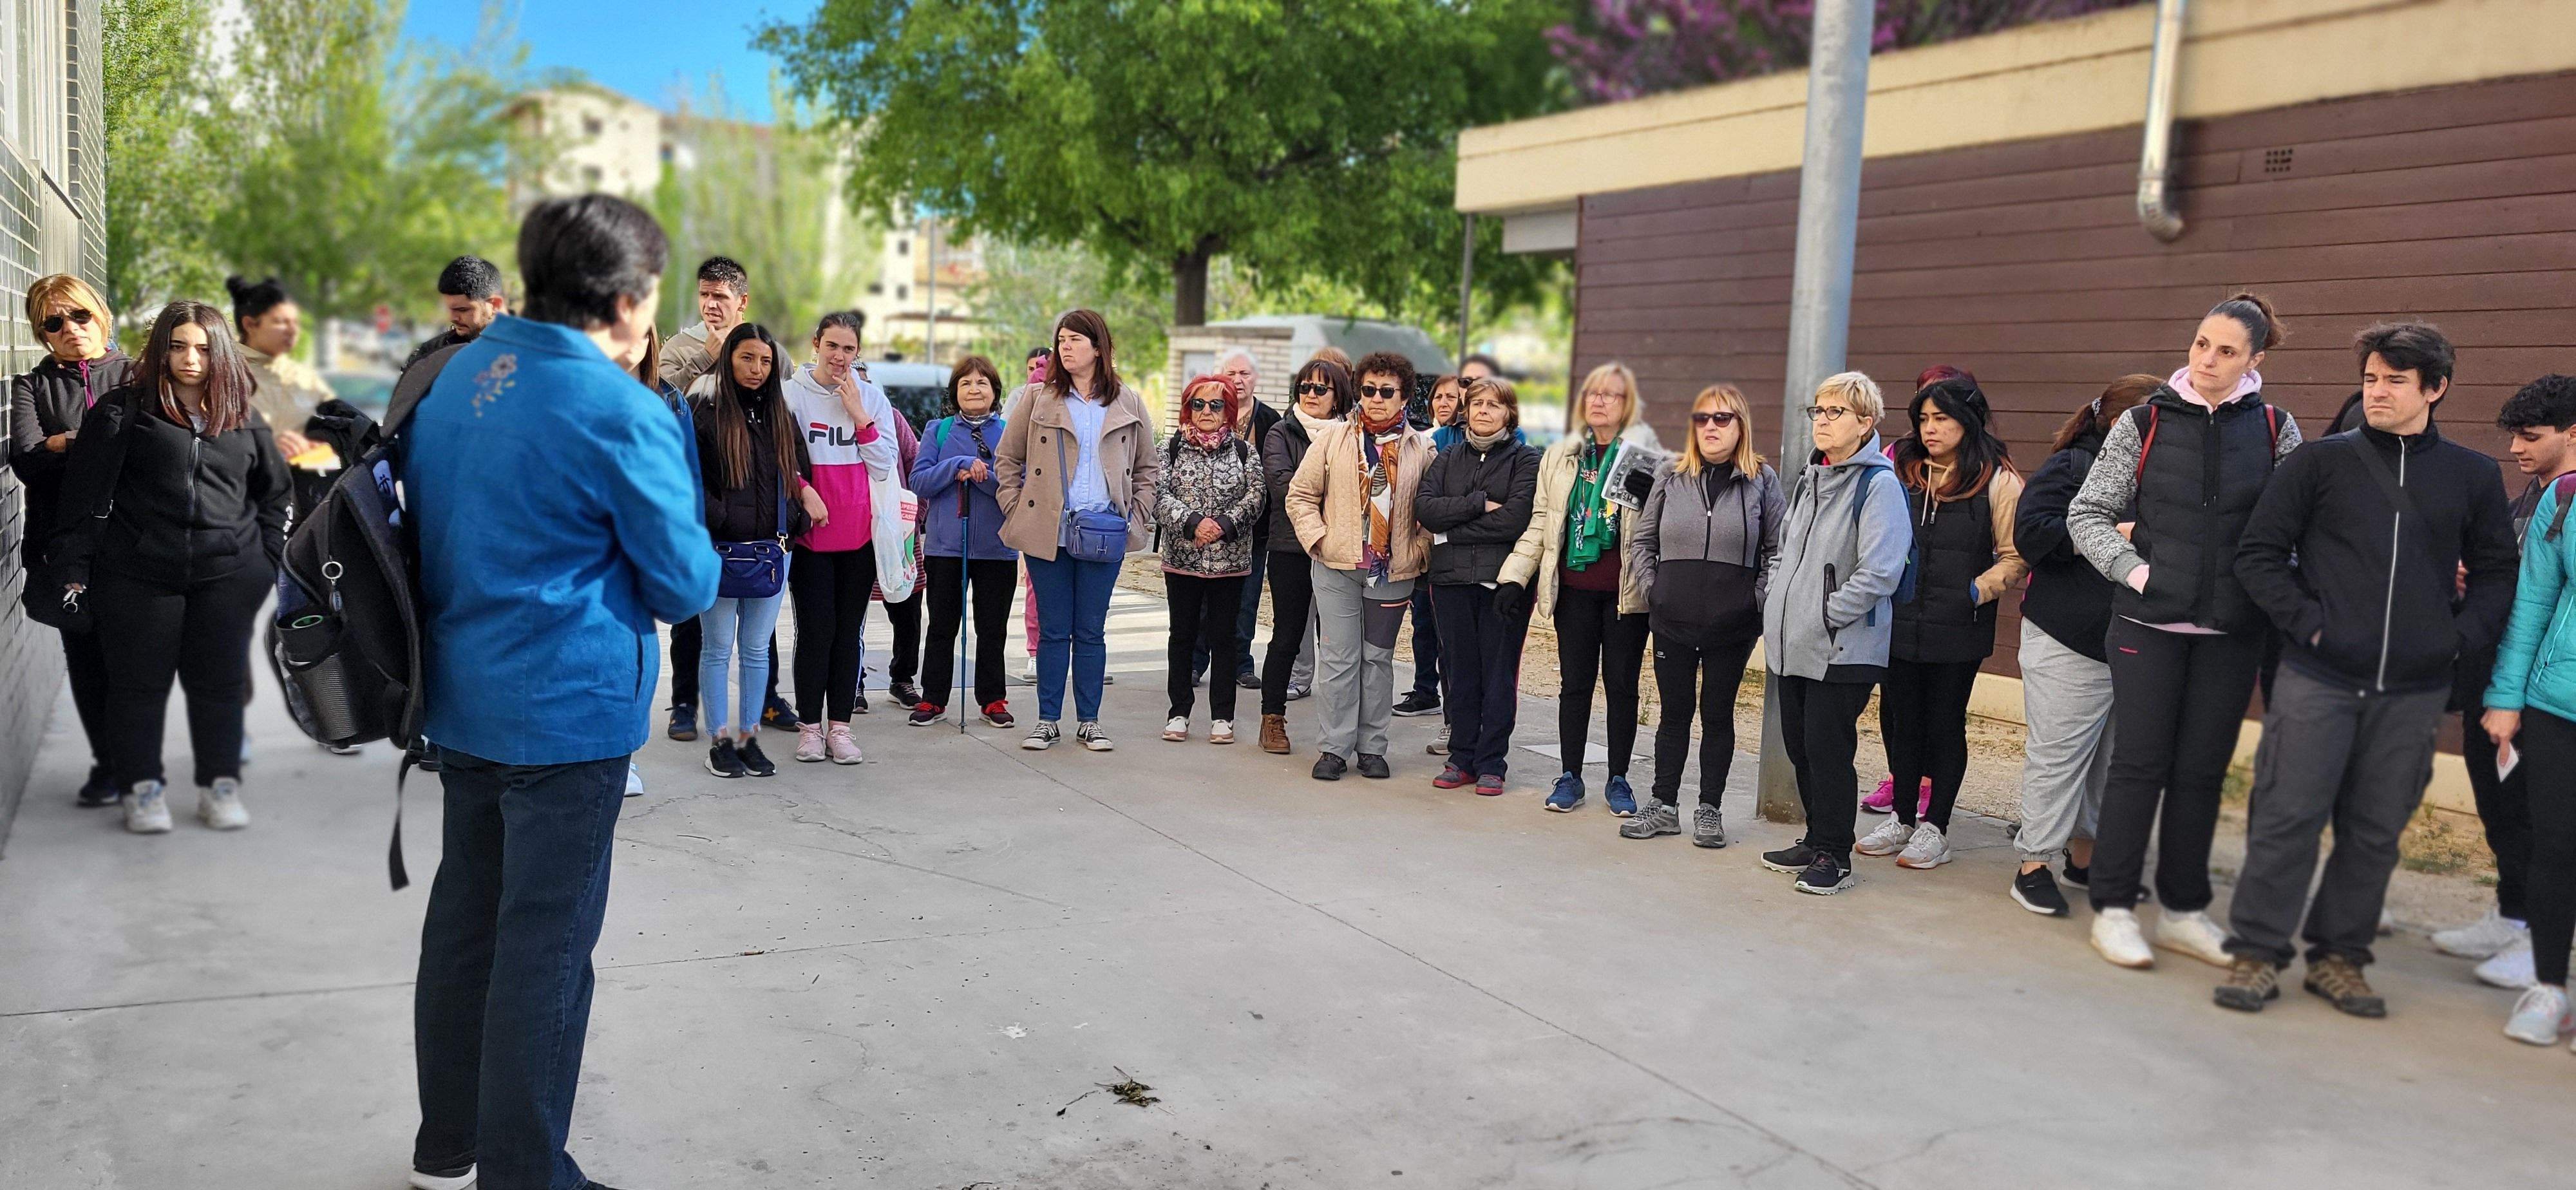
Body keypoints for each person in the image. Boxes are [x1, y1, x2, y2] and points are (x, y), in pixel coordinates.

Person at [400, 194, 712, 1190]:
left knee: (465, 925)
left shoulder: (458, 380)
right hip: (568, 712)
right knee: (546, 947)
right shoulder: (619, 408)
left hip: (464, 699)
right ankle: (528, 1175)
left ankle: (447, 1146)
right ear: (626, 303)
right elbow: (681, 582)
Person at [2215, 323, 2518, 1016]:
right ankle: (2258, 952)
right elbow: (2259, 554)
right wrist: (2312, 624)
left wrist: (2456, 639)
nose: (2376, 392)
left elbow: (2498, 570)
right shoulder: (2319, 464)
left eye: (2394, 381)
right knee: (2288, 817)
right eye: (2371, 379)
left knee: (2375, 830)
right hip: (2318, 678)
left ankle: (2339, 958)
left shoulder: (2470, 475)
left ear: (2434, 389)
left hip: (2412, 689)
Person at [2067, 292, 2304, 969]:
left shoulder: (2275, 430)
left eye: (2226, 351)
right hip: (2146, 624)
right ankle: (2112, 908)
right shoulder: (2142, 423)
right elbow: (2087, 514)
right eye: (2202, 343)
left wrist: (2258, 592)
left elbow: (2291, 530)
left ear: (2254, 360)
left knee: (2201, 773)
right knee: (2138, 766)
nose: (2207, 359)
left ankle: (2181, 911)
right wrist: (2137, 574)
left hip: (2232, 632)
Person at [52, 300, 287, 835]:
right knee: (137, 687)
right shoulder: (121, 411)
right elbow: (82, 498)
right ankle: (142, 789)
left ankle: (219, 786)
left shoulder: (246, 413)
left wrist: (266, 561)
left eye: (203, 348)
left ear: (220, 352)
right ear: (161, 349)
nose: (190, 359)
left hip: (228, 576)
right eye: (178, 346)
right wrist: (77, 567)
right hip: (139, 578)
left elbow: (275, 495)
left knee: (220, 687)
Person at [1852, 370, 2027, 871]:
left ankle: (1937, 828)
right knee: (1897, 721)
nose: (1930, 429)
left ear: (1967, 421)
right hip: (1898, 621)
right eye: (1924, 419)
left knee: (1944, 725)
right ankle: (1903, 817)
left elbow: (2016, 555)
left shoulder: (1998, 479)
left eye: (1942, 418)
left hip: (1959, 627)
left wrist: (1977, 591)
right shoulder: (1896, 468)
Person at [2007, 374, 2157, 916]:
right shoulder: (2072, 465)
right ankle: (2033, 866)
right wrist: (2108, 532)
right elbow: (2033, 533)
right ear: (2119, 423)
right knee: (2059, 757)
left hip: (2130, 641)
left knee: (2111, 761)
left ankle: (2085, 860)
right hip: (2066, 638)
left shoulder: (2154, 475)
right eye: (2152, 422)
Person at [1756, 372, 1911, 896]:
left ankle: (1837, 856)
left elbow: (1881, 572)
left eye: (1835, 412)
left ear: (1866, 423)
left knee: (1828, 750)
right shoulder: (1810, 478)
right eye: (1817, 411)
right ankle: (1816, 837)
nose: (1822, 421)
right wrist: (1778, 601)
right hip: (1794, 641)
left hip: (1842, 647)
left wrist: (1824, 613)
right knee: (1801, 747)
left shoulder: (1878, 485)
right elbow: (1783, 551)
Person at [2447, 377, 2576, 989]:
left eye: (2533, 436)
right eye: (2514, 436)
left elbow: (2542, 600)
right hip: (2499, 675)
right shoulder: (2536, 495)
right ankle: (2511, 912)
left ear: (2573, 432)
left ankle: (2534, 936)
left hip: (2542, 688)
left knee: (2537, 818)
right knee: (2499, 801)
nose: (2518, 448)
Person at [1623, 383, 1782, 844]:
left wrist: (1755, 600)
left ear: (1741, 426)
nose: (1710, 427)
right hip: (1672, 618)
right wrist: (1656, 591)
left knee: (1717, 715)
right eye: (1702, 418)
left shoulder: (1762, 481)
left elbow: (1777, 550)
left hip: (1732, 625)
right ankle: (1663, 805)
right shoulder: (1671, 475)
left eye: (1722, 418)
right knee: (1673, 715)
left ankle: (1709, 809)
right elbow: (1643, 540)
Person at [994, 308, 1159, 751]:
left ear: (1098, 347)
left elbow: (1148, 468)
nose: (1065, 348)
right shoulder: (1038, 398)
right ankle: (1048, 719)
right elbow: (1006, 460)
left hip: (1105, 531)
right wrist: (1017, 509)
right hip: (1049, 532)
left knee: (1090, 630)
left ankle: (1090, 720)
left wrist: (1136, 517)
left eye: (1074, 340)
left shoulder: (1127, 401)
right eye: (1061, 340)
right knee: (1052, 629)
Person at [1501, 361, 1655, 815]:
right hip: (1574, 589)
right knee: (1575, 685)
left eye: (1610, 395)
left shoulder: (1646, 458)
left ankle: (1619, 779)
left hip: (1627, 597)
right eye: (1592, 394)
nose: (1599, 401)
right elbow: (1541, 523)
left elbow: (1658, 530)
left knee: (1623, 687)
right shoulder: (1561, 456)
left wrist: (1651, 498)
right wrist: (1515, 576)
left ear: (1628, 406)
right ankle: (1570, 775)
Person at [8, 273, 134, 807]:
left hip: (133, 542)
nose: (70, 329)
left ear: (100, 315)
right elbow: (28, 461)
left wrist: (67, 441)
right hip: (63, 549)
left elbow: (153, 453)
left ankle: (139, 763)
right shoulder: (30, 386)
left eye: (79, 316)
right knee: (85, 659)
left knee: (135, 661)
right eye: (53, 323)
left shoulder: (138, 376)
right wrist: (101, 442)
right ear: (43, 335)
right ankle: (109, 766)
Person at [1285, 350, 1434, 780]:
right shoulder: (1334, 438)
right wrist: (1320, 539)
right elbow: (1300, 495)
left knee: (1377, 660)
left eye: (1387, 392)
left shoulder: (1421, 448)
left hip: (1391, 572)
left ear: (1403, 396)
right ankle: (1334, 749)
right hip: (1336, 566)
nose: (1376, 399)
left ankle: (1372, 747)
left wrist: (1420, 550)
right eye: (1368, 390)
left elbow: (1433, 511)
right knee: (1339, 658)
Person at [2484, 373, 2576, 1046]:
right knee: (2554, 846)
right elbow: (2532, 608)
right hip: (2554, 704)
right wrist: (2505, 698)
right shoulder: (2561, 501)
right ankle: (2548, 989)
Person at [692, 323, 821, 780]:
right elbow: (690, 482)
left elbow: (799, 474)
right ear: (729, 358)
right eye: (748, 358)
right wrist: (723, 518)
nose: (757, 369)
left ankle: (748, 738)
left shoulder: (780, 417)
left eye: (765, 361)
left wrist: (795, 519)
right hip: (721, 551)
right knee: (717, 647)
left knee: (755, 650)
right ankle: (720, 742)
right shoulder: (704, 412)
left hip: (772, 553)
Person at [1414, 377, 1542, 795]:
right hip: (1451, 581)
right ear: (1466, 410)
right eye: (1478, 403)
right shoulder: (1448, 456)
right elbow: (1427, 510)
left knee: (1498, 673)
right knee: (1459, 671)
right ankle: (1461, 758)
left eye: (1495, 405)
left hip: (1503, 584)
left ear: (1510, 413)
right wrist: (1477, 505)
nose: (1485, 411)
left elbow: (1516, 518)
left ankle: (1492, 763)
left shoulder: (1526, 460)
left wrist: (1455, 529)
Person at [782, 310, 900, 764]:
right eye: (832, 346)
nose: (840, 356)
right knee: (815, 633)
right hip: (811, 540)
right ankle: (809, 727)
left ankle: (841, 728)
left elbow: (884, 463)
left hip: (860, 540)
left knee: (848, 634)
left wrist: (857, 413)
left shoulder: (871, 396)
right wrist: (804, 490)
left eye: (849, 349)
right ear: (816, 343)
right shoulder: (791, 394)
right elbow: (778, 457)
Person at [908, 355, 1018, 728]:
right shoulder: (937, 431)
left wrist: (982, 476)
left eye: (982, 383)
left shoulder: (1009, 432)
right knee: (941, 624)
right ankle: (933, 698)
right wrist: (955, 467)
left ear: (994, 391)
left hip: (996, 549)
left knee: (992, 627)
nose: (974, 389)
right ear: (955, 392)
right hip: (945, 549)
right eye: (966, 383)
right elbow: (919, 481)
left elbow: (1017, 487)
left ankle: (993, 698)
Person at [1157, 373, 1266, 744]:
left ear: (1229, 412)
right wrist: (1191, 523)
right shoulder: (1170, 447)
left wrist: (1221, 525)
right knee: (1182, 636)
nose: (1206, 411)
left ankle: (1223, 716)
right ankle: (1179, 712)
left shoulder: (1244, 452)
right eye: (1198, 404)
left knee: (1225, 639)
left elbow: (1256, 497)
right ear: (1187, 409)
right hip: (1182, 560)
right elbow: (1158, 494)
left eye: (1216, 405)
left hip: (1230, 562)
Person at [1257, 357, 1352, 753]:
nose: (1310, 395)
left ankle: (1344, 728)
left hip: (1342, 550)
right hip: (1290, 547)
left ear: (1338, 396)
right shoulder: (1281, 432)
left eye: (1320, 389)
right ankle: (1272, 718)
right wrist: (1334, 493)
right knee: (1287, 636)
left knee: (1340, 644)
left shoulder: (1352, 434)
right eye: (1305, 387)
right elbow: (1283, 485)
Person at [1192, 347, 1280, 690]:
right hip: (1202, 531)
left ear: (1256, 379)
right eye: (1231, 373)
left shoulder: (1270, 420)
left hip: (1252, 532)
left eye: (1244, 374)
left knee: (1247, 600)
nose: (1238, 381)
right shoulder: (1206, 413)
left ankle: (1241, 663)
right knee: (1201, 602)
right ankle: (1197, 663)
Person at [1394, 373, 1464, 733]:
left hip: (1454, 549)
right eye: (1439, 396)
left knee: (1446, 632)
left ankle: (1454, 709)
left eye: (1452, 397)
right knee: (1421, 621)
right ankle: (1425, 690)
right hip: (1426, 544)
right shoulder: (1421, 439)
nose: (1444, 402)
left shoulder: (1464, 440)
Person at [226, 274, 330, 459]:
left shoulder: (300, 374)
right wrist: (269, 443)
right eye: (281, 322)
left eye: (295, 322)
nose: (292, 330)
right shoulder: (223, 373)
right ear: (250, 324)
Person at [401, 255, 507, 374]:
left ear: (494, 305)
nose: (452, 318)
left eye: (463, 310)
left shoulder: (519, 353)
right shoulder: (430, 354)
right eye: (450, 309)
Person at [659, 255, 749, 395]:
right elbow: (663, 399)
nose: (710, 305)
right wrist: (705, 358)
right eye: (704, 295)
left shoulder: (766, 349)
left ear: (742, 302)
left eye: (720, 296)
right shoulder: (678, 348)